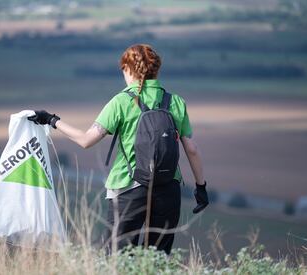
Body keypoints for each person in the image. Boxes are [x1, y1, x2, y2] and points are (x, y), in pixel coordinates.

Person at [28, 44, 208, 254]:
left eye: (123, 69)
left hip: (128, 187)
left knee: (118, 256)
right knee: (159, 258)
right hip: (168, 189)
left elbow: (86, 140)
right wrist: (201, 187)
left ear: (129, 69)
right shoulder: (175, 102)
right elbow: (191, 149)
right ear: (156, 70)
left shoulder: (121, 102)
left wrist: (50, 119)